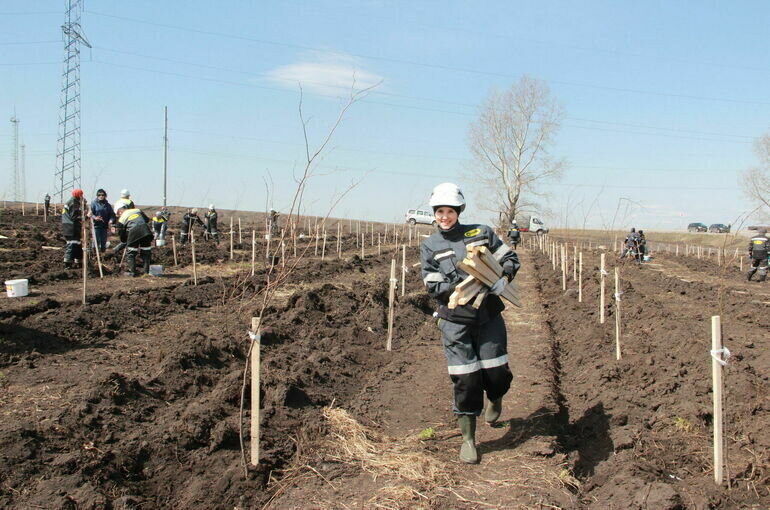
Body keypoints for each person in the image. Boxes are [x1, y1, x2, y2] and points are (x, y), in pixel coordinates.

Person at [420, 182, 520, 464]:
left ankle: (496, 396)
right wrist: (460, 287)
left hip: (488, 315)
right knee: (465, 378)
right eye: (439, 211)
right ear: (434, 213)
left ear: (458, 210)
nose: (444, 216)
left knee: (496, 370)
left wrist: (503, 278)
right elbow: (431, 282)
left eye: (449, 211)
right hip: (455, 320)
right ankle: (468, 440)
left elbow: (509, 257)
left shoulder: (481, 232)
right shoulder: (430, 245)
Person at [116, 204, 154, 277]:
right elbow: (146, 220)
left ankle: (132, 272)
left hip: (133, 233)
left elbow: (121, 233)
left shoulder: (121, 219)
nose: (118, 215)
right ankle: (146, 272)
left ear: (120, 211)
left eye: (118, 214)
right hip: (145, 231)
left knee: (131, 253)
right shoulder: (137, 210)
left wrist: (125, 240)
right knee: (146, 252)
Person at [62, 189, 86, 268]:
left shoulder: (73, 201)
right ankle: (67, 263)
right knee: (72, 244)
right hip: (71, 227)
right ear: (79, 195)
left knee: (77, 244)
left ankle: (78, 261)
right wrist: (84, 217)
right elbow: (74, 216)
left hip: (70, 226)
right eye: (81, 195)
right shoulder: (73, 202)